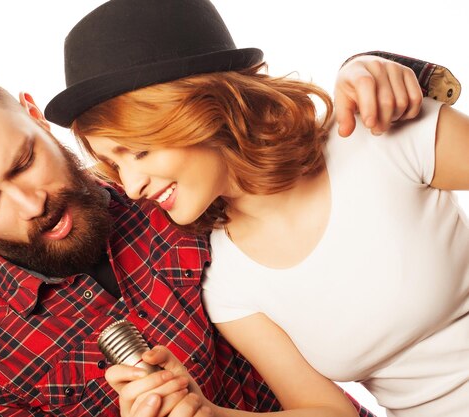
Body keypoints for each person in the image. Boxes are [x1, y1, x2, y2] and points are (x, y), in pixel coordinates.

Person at [0, 16, 457, 417]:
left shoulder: (177, 193)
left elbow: (266, 138)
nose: (32, 205)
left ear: (35, 116)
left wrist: (389, 69)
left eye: (24, 162)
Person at [43, 1, 469, 416]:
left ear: (203, 108)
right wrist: (208, 414)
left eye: (138, 151)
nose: (131, 187)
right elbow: (327, 411)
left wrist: (373, 63)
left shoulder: (378, 138)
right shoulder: (228, 283)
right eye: (115, 165)